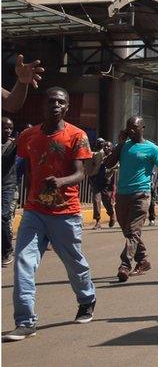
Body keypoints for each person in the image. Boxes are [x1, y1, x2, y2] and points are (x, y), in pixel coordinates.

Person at [2, 87, 95, 342]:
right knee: (23, 262)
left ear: (66, 107)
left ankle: (87, 299)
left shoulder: (77, 135)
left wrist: (61, 182)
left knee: (73, 262)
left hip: (66, 212)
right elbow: (21, 166)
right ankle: (25, 322)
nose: (55, 105)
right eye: (51, 100)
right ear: (44, 105)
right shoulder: (29, 136)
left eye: (60, 102)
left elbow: (80, 173)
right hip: (34, 210)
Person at [102, 116, 158, 282]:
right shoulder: (124, 146)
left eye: (134, 127)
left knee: (133, 230)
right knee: (127, 230)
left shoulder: (152, 149)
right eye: (128, 127)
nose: (131, 130)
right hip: (122, 194)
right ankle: (143, 259)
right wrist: (119, 143)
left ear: (143, 128)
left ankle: (125, 265)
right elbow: (108, 163)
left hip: (141, 194)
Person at [2, 117, 18, 266]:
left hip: (7, 186)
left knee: (3, 217)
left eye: (9, 128)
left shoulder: (13, 145)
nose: (7, 130)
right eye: (4, 127)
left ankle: (7, 251)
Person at [90, 140, 117, 230]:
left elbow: (114, 169)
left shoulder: (113, 157)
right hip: (97, 181)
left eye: (108, 146)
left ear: (111, 148)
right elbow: (91, 165)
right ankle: (97, 221)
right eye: (105, 146)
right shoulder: (98, 155)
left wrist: (110, 169)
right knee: (96, 200)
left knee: (107, 201)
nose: (106, 147)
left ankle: (111, 214)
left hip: (107, 183)